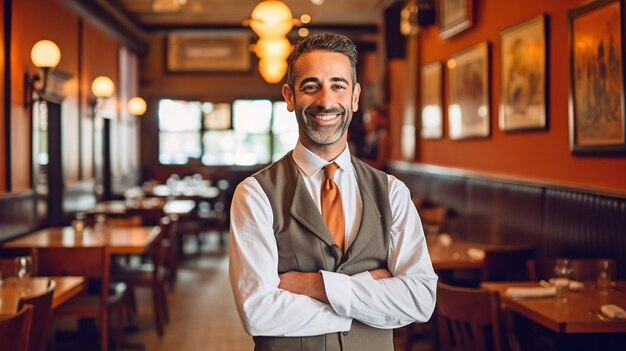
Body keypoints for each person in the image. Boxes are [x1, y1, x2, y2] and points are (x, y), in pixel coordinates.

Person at [228, 33, 437, 351]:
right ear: (289, 96)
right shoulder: (254, 194)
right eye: (311, 87)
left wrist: (315, 285)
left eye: (338, 86)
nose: (326, 101)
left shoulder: (392, 192)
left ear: (354, 96)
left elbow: (420, 300)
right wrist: (371, 292)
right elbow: (258, 313)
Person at [360, 104, 389, 169]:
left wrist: (360, 162)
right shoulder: (366, 135)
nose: (369, 121)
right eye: (369, 117)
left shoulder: (382, 136)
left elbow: (380, 164)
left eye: (373, 118)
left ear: (380, 120)